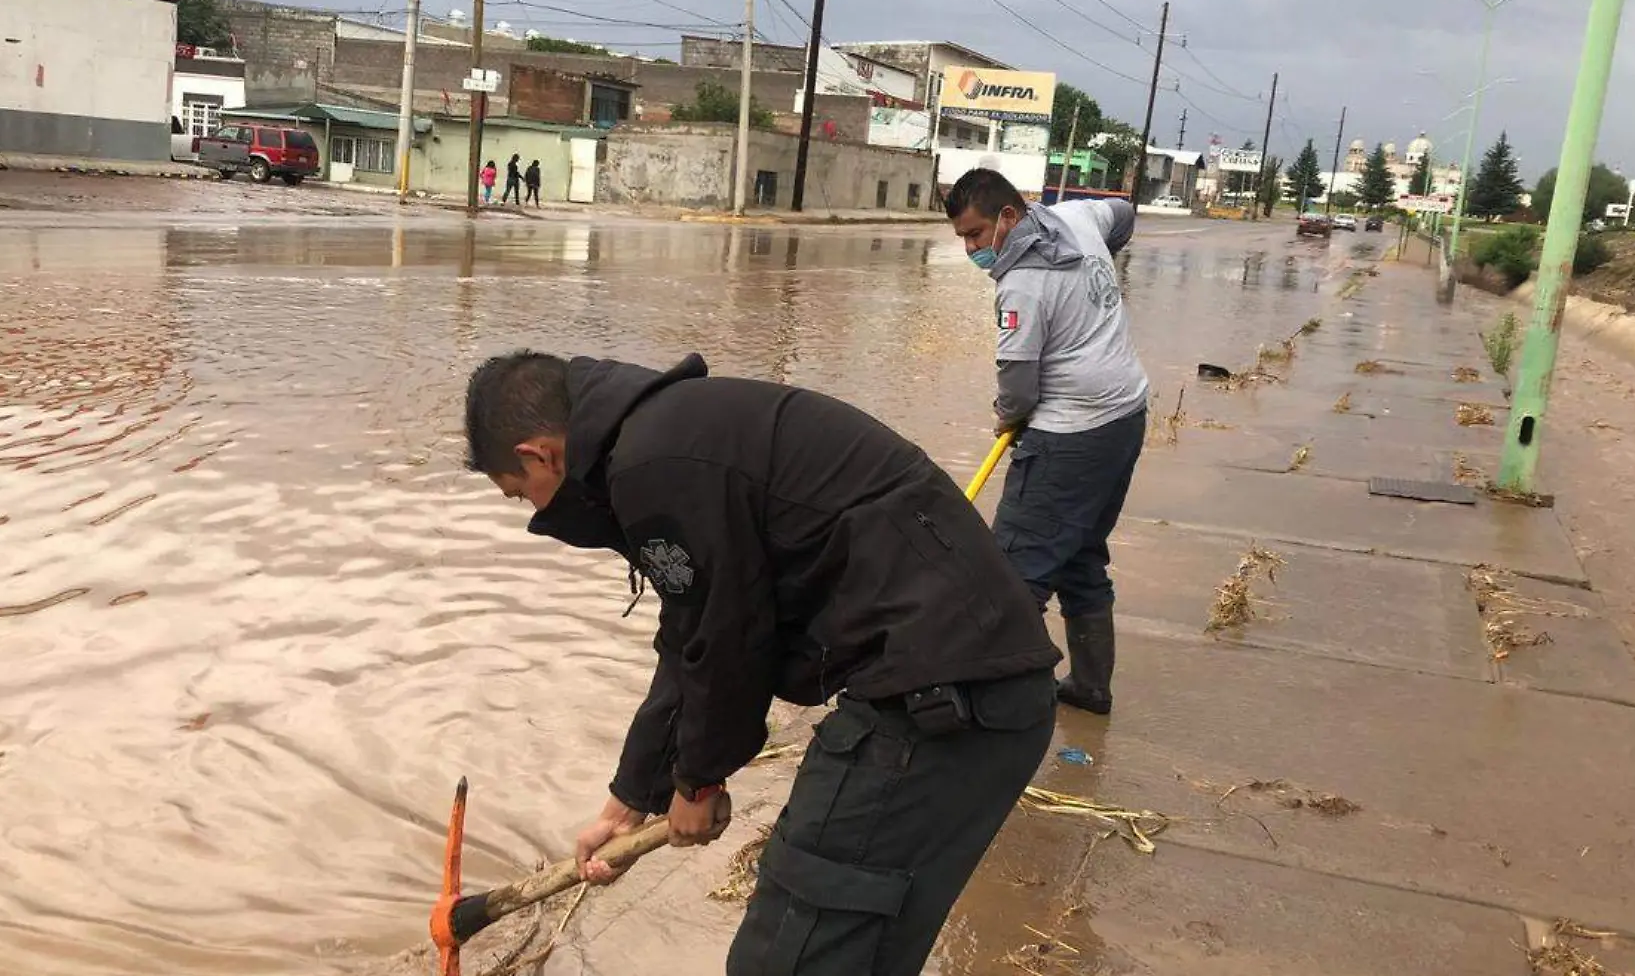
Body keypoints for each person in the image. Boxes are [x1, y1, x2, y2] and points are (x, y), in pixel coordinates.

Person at [465, 351, 1060, 976]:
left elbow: (731, 636)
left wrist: (698, 780)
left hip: (940, 706)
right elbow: (691, 631)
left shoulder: (655, 467)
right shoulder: (670, 433)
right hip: (978, 691)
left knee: (786, 957)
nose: (534, 511)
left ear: (539, 455)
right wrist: (630, 799)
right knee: (855, 953)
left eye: (520, 493)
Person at [945, 168, 1147, 716]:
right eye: (963, 238)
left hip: (1070, 437)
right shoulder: (1076, 218)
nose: (971, 249)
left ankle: (995, 713)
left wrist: (1003, 419)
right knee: (1081, 555)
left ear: (1009, 216)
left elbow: (1018, 388)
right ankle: (1089, 686)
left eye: (977, 235)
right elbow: (1123, 213)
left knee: (1010, 579)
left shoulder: (1022, 285)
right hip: (1125, 417)